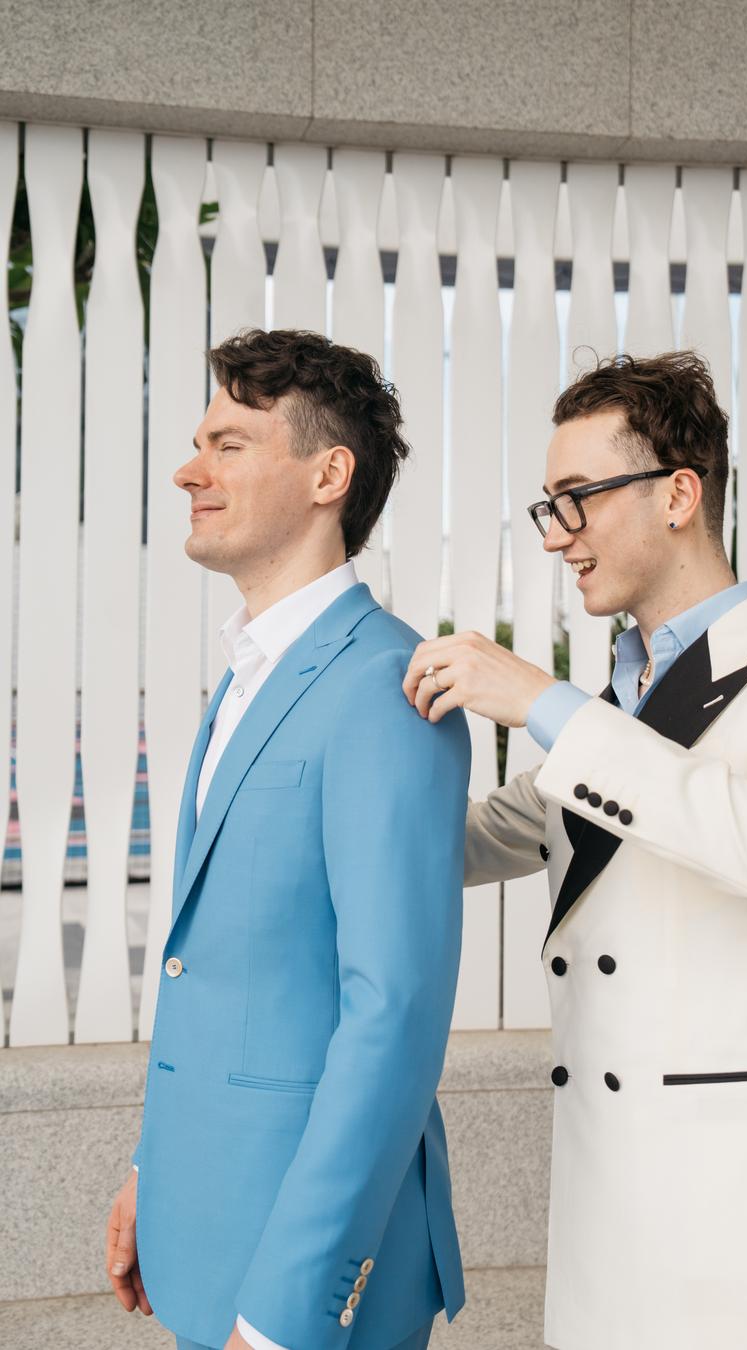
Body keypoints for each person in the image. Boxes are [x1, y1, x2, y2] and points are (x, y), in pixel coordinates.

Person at [403, 350, 747, 1350]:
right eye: (549, 508)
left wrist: (544, 703)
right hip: (610, 1231)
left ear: (678, 494)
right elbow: (480, 838)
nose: (559, 536)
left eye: (578, 499)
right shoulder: (613, 712)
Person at [105, 329, 471, 1350]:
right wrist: (152, 1168)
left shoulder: (388, 688)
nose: (189, 471)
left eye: (227, 445)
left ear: (328, 475)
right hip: (206, 1223)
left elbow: (391, 1018)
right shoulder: (247, 676)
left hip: (300, 1281)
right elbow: (224, 970)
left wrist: (284, 1314)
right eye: (198, 444)